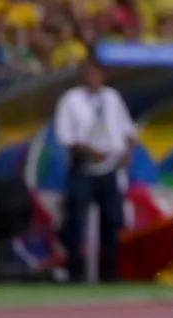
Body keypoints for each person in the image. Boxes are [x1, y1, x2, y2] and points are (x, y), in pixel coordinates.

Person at [53, 53, 137, 283]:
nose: (93, 78)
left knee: (112, 220)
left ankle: (109, 272)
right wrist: (89, 151)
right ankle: (75, 271)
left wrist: (127, 152)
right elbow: (66, 137)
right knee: (76, 220)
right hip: (84, 167)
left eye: (96, 74)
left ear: (102, 76)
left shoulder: (112, 97)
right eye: (89, 73)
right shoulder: (71, 100)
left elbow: (128, 130)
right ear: (83, 76)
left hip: (109, 168)